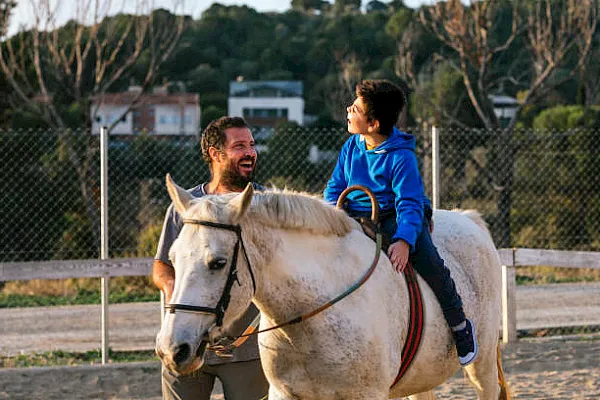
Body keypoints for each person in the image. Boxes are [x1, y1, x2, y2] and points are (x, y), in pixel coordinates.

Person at [324, 79, 478, 366]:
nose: (348, 109)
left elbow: (408, 203)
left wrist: (405, 240)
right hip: (354, 214)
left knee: (430, 262)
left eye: (355, 108)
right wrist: (331, 214)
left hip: (394, 216)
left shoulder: (401, 157)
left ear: (373, 123)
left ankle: (459, 325)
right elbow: (335, 187)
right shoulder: (351, 145)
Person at [152, 116, 269, 399]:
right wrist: (174, 291)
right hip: (186, 340)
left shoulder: (266, 205)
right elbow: (162, 266)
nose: (250, 152)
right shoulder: (186, 205)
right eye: (239, 146)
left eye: (252, 145)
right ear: (216, 154)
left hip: (248, 351)